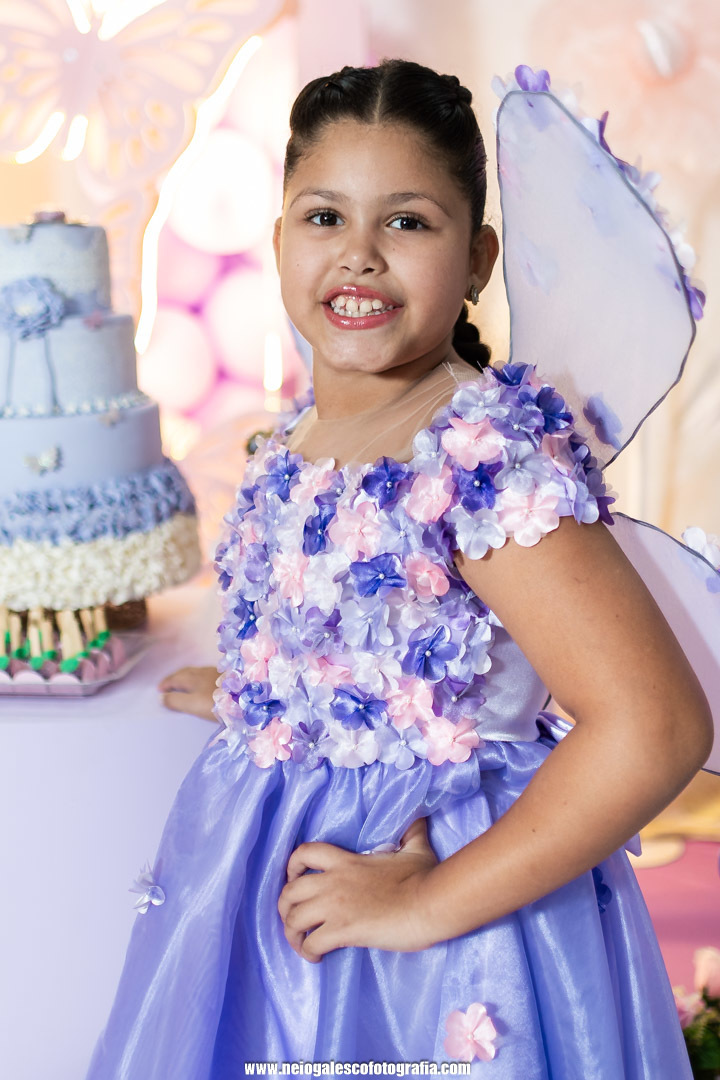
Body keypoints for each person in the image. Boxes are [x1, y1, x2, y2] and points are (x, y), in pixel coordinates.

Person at [85, 59, 715, 1078]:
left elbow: (656, 728)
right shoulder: (302, 431)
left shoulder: (481, 459)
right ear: (278, 238)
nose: (360, 255)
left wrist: (426, 903)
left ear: (477, 259)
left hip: (435, 934)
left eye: (409, 222)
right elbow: (373, 642)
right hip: (277, 913)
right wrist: (272, 693)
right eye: (324, 217)